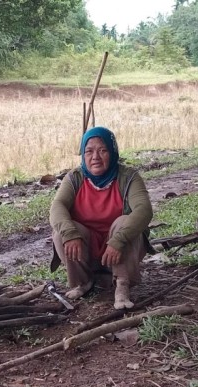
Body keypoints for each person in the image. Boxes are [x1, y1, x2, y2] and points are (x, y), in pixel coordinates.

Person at [50, 126, 152, 310]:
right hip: (89, 248)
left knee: (124, 223)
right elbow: (57, 207)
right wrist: (70, 233)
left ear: (113, 152)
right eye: (89, 151)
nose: (95, 157)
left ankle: (122, 285)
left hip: (120, 250)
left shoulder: (129, 177)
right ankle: (83, 282)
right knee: (60, 233)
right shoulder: (74, 178)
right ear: (83, 154)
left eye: (103, 150)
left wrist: (118, 240)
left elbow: (144, 210)